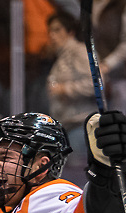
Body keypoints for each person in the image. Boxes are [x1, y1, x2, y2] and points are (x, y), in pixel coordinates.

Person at [46, 11, 96, 162]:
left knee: (78, 173)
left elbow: (95, 84)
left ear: (70, 32)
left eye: (57, 30)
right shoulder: (60, 57)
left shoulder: (79, 51)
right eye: (49, 31)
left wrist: (65, 88)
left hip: (82, 125)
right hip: (66, 127)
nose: (52, 35)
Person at [92, 0, 126, 115]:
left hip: (118, 76)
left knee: (116, 126)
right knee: (91, 126)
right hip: (87, 79)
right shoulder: (84, 4)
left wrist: (107, 64)